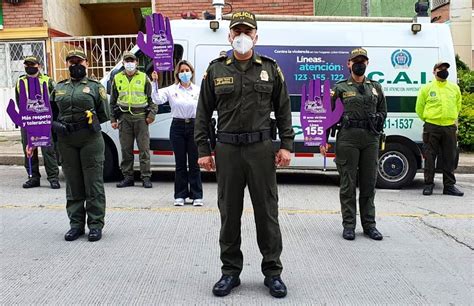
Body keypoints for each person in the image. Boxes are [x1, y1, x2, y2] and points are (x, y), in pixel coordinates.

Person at [195, 11, 294, 298]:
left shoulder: (271, 69)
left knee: (267, 213)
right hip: (227, 150)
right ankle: (230, 272)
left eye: (246, 32)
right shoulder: (215, 70)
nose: (241, 36)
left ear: (255, 36)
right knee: (229, 213)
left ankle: (273, 272)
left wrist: (286, 145)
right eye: (236, 31)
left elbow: (284, 110)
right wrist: (204, 150)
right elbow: (202, 114)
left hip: (261, 150)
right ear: (229, 36)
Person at [320, 48, 386, 241]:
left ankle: (369, 225)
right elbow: (328, 116)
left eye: (363, 61)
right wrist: (323, 140)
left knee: (368, 183)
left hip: (370, 138)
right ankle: (349, 225)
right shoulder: (341, 88)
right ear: (349, 64)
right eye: (355, 61)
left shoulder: (375, 87)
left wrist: (378, 120)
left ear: (367, 63)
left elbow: (383, 110)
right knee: (348, 184)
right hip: (348, 137)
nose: (359, 64)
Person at [50, 48, 110, 242]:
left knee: (93, 183)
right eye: (72, 62)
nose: (76, 65)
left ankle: (95, 225)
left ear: (86, 63)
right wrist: (55, 124)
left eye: (79, 61)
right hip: (66, 140)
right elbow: (51, 113)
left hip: (89, 139)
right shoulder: (59, 87)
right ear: (67, 64)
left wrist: (91, 123)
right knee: (73, 183)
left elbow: (104, 113)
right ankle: (76, 225)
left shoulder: (95, 86)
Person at [151, 60, 203, 206]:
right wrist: (155, 82)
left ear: (191, 72)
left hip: (193, 126)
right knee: (180, 163)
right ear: (177, 74)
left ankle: (196, 195)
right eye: (182, 71)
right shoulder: (171, 89)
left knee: (194, 163)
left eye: (187, 70)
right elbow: (157, 99)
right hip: (177, 127)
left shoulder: (198, 90)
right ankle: (180, 195)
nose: (184, 73)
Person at [416, 61, 463, 197]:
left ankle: (449, 186)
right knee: (430, 157)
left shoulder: (454, 88)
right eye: (440, 68)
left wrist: (451, 117)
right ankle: (428, 185)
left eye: (445, 68)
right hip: (432, 126)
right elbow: (419, 108)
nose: (443, 70)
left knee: (449, 157)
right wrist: (428, 119)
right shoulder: (427, 88)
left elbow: (457, 105)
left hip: (449, 127)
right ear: (434, 71)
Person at [110, 52, 157, 189]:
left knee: (144, 150)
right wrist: (113, 119)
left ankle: (146, 177)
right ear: (123, 63)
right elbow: (112, 101)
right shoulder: (117, 78)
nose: (129, 63)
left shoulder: (144, 78)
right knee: (126, 150)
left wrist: (151, 115)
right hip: (124, 118)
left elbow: (152, 98)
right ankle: (128, 177)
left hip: (141, 118)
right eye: (127, 61)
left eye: (132, 61)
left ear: (137, 62)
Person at [16, 56, 60, 189]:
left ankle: (53, 178)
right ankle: (33, 177)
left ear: (39, 66)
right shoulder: (20, 81)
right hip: (28, 122)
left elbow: (55, 102)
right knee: (29, 150)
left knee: (48, 150)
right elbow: (19, 101)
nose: (30, 67)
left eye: (32, 64)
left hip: (44, 121)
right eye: (27, 65)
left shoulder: (48, 81)